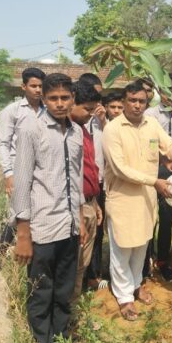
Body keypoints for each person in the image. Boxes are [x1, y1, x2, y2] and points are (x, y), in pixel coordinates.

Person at [102, 80, 172, 321]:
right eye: (132, 100)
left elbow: (170, 146)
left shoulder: (151, 124)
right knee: (122, 246)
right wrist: (154, 182)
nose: (137, 105)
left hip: (146, 197)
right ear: (123, 102)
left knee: (141, 244)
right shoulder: (113, 129)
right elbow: (120, 169)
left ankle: (134, 285)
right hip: (122, 196)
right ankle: (123, 297)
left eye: (141, 101)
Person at [11, 73, 87, 343]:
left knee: (64, 290)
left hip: (69, 226)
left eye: (64, 98)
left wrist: (80, 216)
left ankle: (61, 341)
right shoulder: (32, 129)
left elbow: (76, 178)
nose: (59, 104)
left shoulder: (77, 132)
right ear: (43, 99)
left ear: (73, 99)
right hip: (43, 226)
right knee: (42, 290)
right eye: (52, 98)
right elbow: (21, 181)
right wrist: (23, 233)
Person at [0, 67, 46, 271]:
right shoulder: (12, 111)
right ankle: (0, 251)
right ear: (24, 86)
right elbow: (3, 143)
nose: (38, 90)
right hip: (18, 169)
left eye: (41, 86)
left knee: (35, 211)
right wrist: (8, 174)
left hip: (40, 170)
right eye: (34, 86)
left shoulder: (48, 110)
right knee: (17, 212)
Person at [142, 73, 172, 282]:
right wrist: (163, 159)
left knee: (167, 219)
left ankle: (163, 261)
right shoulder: (149, 114)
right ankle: (145, 260)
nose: (169, 97)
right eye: (165, 92)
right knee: (149, 218)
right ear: (160, 91)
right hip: (151, 172)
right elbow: (149, 144)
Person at [68, 82, 104, 304]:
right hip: (77, 207)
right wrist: (80, 210)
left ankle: (74, 307)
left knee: (83, 261)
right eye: (87, 109)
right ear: (73, 102)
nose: (91, 115)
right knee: (74, 262)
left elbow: (91, 169)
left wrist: (95, 202)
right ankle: (69, 312)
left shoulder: (83, 131)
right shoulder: (67, 133)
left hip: (90, 203)